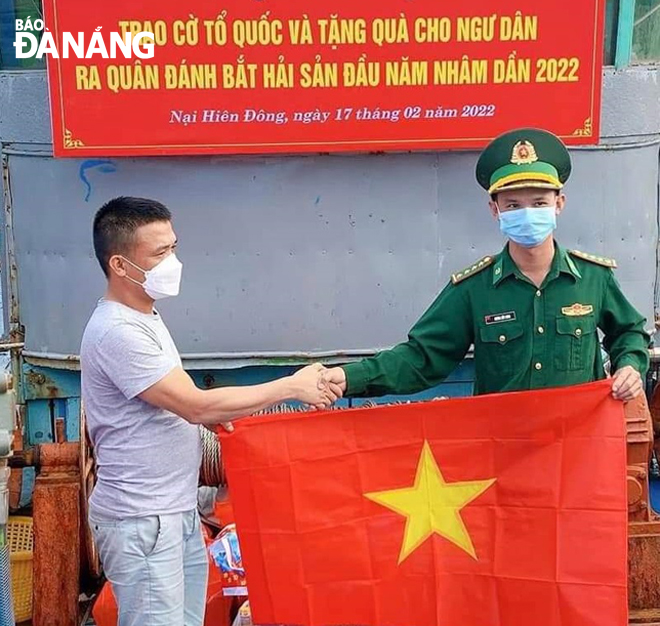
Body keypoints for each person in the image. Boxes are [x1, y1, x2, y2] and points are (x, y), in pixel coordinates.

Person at [80, 197, 337, 626]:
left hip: (175, 512)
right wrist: (292, 386)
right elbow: (194, 403)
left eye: (174, 247)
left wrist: (214, 415)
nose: (173, 262)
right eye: (160, 254)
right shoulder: (118, 332)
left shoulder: (146, 316)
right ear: (120, 265)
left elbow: (177, 403)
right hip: (143, 521)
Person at [323, 128, 650, 402]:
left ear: (558, 204)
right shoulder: (474, 289)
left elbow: (629, 332)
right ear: (495, 210)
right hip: (504, 451)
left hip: (578, 448)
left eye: (539, 202)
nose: (527, 213)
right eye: (513, 204)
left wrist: (630, 366)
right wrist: (346, 377)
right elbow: (421, 358)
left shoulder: (593, 279)